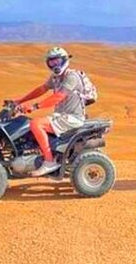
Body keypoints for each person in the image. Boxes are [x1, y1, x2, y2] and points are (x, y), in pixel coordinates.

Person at [12, 47, 86, 177]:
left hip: (71, 118)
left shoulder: (71, 77)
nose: (55, 65)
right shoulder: (56, 77)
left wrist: (34, 107)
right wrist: (20, 101)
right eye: (51, 62)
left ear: (64, 60)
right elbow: (42, 89)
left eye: (57, 61)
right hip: (61, 116)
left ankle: (49, 161)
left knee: (36, 124)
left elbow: (58, 97)